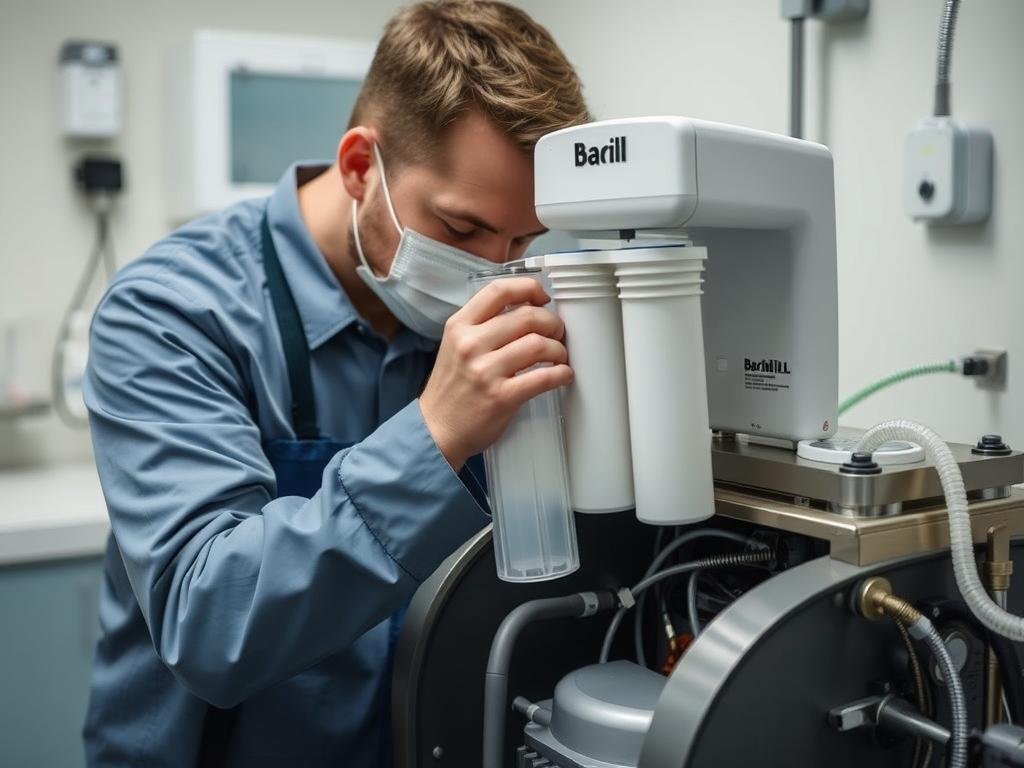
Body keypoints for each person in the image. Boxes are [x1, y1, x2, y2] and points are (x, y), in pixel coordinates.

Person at [81, 2, 589, 765]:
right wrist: (433, 436)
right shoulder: (171, 310)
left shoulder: (493, 313)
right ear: (358, 167)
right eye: (461, 231)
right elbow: (208, 622)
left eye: (522, 238)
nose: (491, 270)